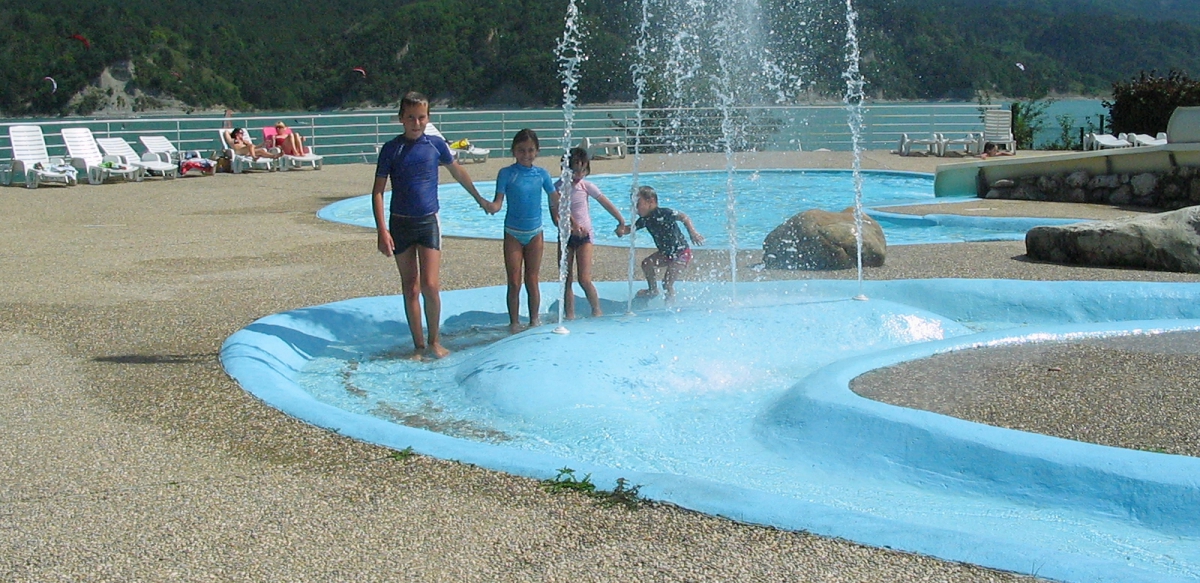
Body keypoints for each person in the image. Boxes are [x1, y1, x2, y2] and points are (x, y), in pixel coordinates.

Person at [372, 91, 491, 359]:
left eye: (421, 117)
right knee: (410, 286)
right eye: (411, 117)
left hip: (428, 221)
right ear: (401, 118)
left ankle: (435, 340)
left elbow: (457, 171)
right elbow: (378, 191)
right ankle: (418, 345)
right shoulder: (392, 149)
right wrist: (382, 230)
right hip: (400, 222)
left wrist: (479, 198)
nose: (416, 123)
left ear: (428, 118)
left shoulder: (435, 144)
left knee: (431, 285)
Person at [478, 129, 556, 334]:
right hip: (513, 232)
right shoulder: (506, 173)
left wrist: (566, 216)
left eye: (530, 150)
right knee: (514, 281)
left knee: (532, 278)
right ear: (514, 151)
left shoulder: (542, 174)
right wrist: (487, 205)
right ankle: (513, 322)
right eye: (521, 150)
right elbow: (498, 203)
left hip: (535, 233)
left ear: (537, 151)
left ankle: (534, 320)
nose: (526, 154)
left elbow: (554, 199)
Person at [550, 147, 627, 320]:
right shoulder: (556, 189)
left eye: (583, 170)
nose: (579, 175)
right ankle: (569, 315)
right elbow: (555, 217)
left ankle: (597, 310)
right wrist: (569, 228)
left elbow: (605, 203)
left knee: (584, 279)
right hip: (565, 238)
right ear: (565, 169)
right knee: (566, 279)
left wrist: (620, 220)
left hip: (585, 237)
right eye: (575, 170)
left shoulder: (586, 186)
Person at [617, 185, 705, 304]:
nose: (635, 209)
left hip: (681, 253)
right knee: (647, 263)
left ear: (651, 201)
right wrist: (622, 230)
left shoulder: (664, 213)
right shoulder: (644, 219)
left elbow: (684, 217)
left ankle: (670, 305)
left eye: (637, 204)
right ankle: (653, 290)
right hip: (665, 254)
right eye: (633, 205)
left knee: (667, 283)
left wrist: (692, 232)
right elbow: (630, 229)